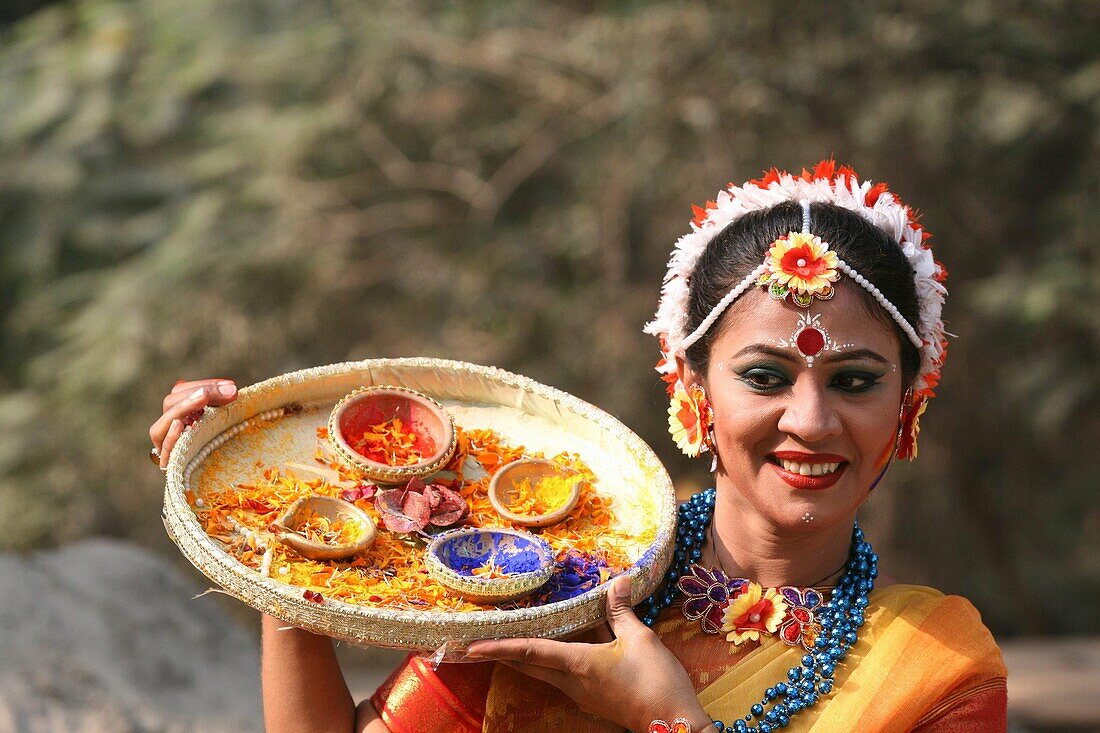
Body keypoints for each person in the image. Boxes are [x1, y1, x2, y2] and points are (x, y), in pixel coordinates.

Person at [149, 161, 1007, 732]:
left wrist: (667, 717)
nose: (812, 421)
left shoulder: (935, 669)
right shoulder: (555, 581)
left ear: (909, 399)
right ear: (693, 390)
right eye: (766, 376)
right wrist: (278, 553)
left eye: (854, 380)